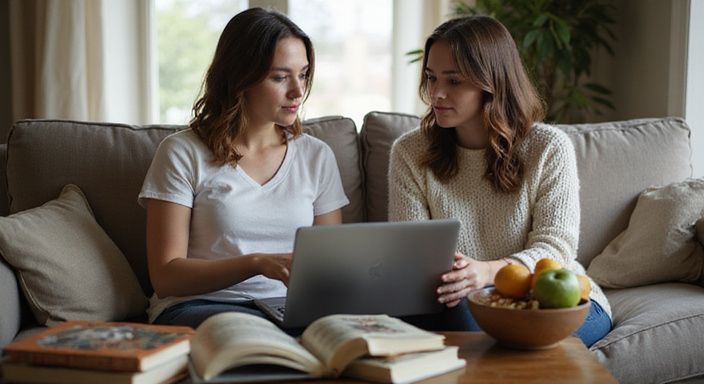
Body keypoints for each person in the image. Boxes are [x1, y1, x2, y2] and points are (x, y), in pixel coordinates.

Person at [388, 15, 612, 346]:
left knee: (473, 323)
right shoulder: (410, 151)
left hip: (555, 300)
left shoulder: (548, 148)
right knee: (412, 317)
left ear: (492, 82)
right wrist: (458, 278)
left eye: (454, 81)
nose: (436, 93)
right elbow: (412, 252)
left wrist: (488, 272)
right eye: (432, 78)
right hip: (457, 299)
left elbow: (556, 247)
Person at [138, 8, 349, 329]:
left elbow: (330, 263)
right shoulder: (182, 152)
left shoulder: (316, 156)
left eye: (303, 74)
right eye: (280, 77)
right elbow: (166, 276)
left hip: (288, 310)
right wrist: (256, 263)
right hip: (200, 306)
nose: (298, 91)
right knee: (257, 335)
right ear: (240, 78)